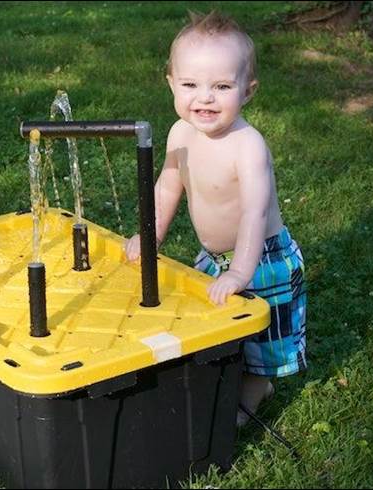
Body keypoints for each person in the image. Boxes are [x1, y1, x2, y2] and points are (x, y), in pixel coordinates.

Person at [125, 10, 307, 426]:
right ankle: (236, 374)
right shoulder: (179, 134)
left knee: (263, 334)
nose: (204, 98)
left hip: (261, 256)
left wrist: (241, 272)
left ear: (247, 91)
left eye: (221, 86)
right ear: (171, 82)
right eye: (190, 85)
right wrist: (149, 237)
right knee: (217, 321)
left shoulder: (248, 145)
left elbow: (254, 212)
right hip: (216, 256)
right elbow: (167, 188)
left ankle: (255, 391)